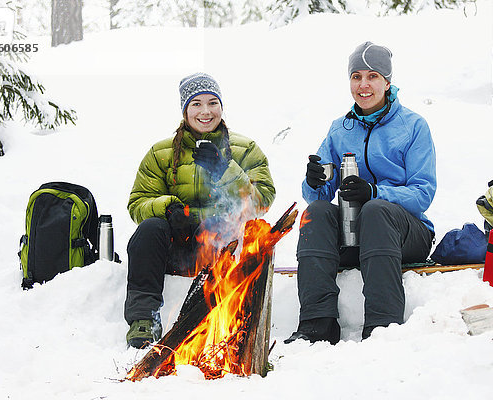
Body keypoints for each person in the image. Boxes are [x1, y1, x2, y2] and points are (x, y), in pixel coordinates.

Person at [285, 42, 436, 344]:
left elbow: (423, 193)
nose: (363, 85)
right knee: (315, 214)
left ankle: (383, 324)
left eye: (373, 76)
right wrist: (314, 181)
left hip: (405, 234)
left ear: (387, 82)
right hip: (352, 233)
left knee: (375, 210)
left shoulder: (413, 126)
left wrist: (376, 192)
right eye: (356, 76)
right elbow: (318, 197)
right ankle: (317, 323)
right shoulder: (340, 129)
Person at [124, 72, 276, 348]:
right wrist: (168, 208)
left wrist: (225, 170)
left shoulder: (244, 149)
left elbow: (261, 201)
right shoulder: (161, 153)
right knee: (148, 230)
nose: (205, 112)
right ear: (185, 109)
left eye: (212, 103)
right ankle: (143, 320)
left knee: (219, 223)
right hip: (174, 247)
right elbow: (138, 203)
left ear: (221, 106)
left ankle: (221, 319)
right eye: (196, 104)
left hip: (220, 248)